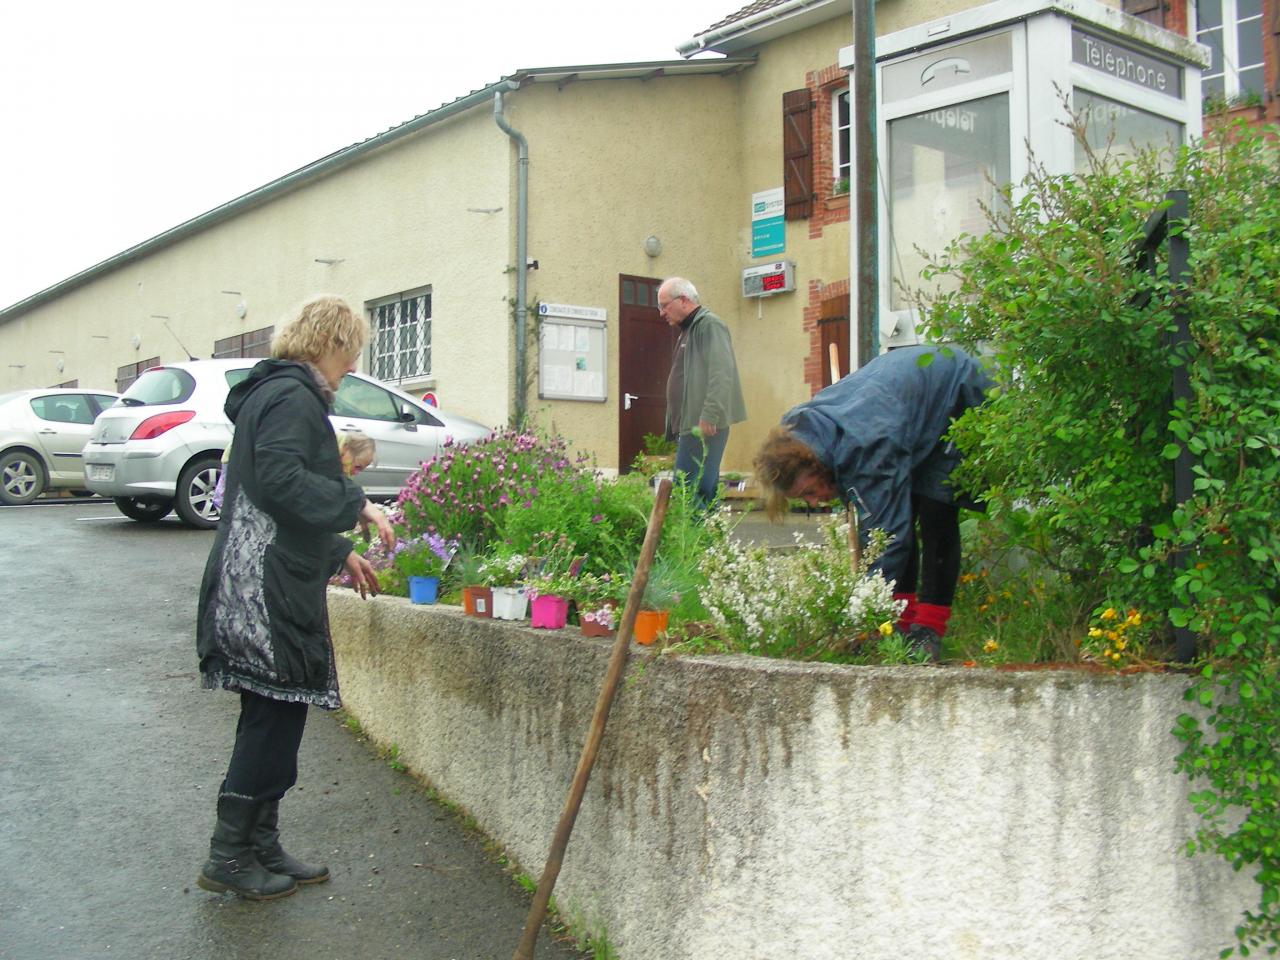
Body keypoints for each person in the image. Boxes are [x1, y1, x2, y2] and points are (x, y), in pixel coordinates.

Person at [194, 296, 395, 900]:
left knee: (277, 714)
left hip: (264, 573)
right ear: (330, 343)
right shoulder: (291, 396)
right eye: (350, 354)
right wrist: (355, 503)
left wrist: (339, 552)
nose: (349, 367)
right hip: (261, 586)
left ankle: (260, 843)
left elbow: (273, 493)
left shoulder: (278, 394)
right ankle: (229, 855)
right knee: (272, 715)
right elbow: (281, 482)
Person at [753, 344, 990, 661]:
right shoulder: (801, 430)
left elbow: (887, 538)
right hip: (904, 404)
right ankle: (898, 626)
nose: (816, 501)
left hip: (954, 393)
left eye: (810, 491)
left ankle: (928, 631)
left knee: (935, 511)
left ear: (816, 466)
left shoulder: (863, 449)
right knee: (900, 515)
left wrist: (858, 613)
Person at [658, 277, 747, 507]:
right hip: (691, 425)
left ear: (684, 300)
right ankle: (706, 539)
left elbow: (721, 371)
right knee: (697, 490)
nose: (661, 313)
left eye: (664, 305)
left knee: (690, 491)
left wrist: (710, 413)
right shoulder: (689, 329)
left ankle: (697, 540)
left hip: (702, 426)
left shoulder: (709, 325)